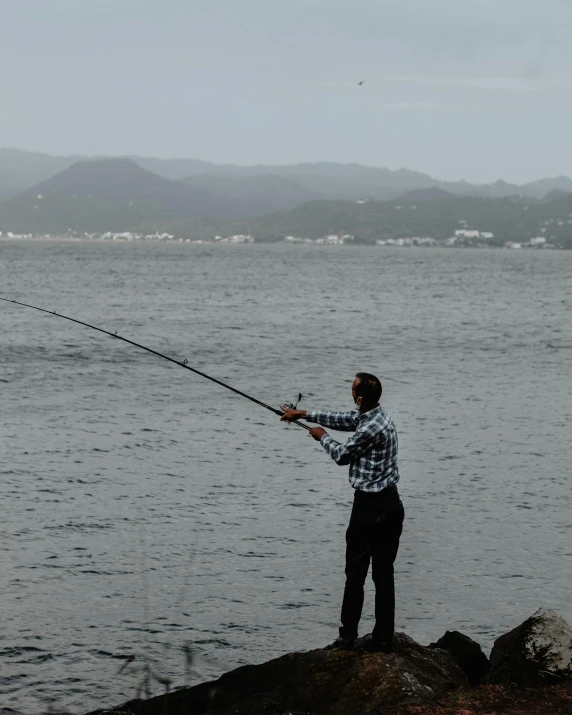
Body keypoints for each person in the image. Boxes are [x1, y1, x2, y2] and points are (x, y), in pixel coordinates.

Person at [280, 372, 404, 653]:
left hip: (370, 508)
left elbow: (342, 455)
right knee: (383, 575)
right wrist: (304, 414)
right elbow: (346, 419)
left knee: (355, 574)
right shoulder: (377, 416)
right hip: (391, 504)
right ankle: (383, 638)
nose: (351, 396)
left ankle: (346, 638)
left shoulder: (370, 428)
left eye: (353, 392)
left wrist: (321, 437)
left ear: (360, 397)